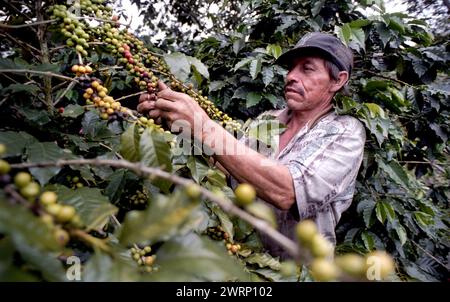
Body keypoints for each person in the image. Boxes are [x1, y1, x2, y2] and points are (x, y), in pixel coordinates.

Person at [137, 32, 366, 259]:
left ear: (338, 80)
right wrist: (179, 124)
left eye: (307, 68)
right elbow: (227, 168)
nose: (291, 76)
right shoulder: (269, 121)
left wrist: (204, 127)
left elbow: (288, 191)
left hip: (298, 273)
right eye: (291, 68)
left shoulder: (345, 132)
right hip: (246, 262)